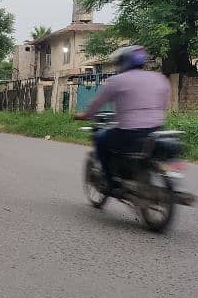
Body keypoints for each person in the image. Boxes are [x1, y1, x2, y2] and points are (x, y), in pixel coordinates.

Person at [73, 45, 171, 195]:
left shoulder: (117, 81)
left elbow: (97, 104)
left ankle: (110, 182)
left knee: (100, 138)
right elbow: (164, 105)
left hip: (129, 134)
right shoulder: (160, 78)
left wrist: (84, 115)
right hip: (156, 131)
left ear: (123, 62)